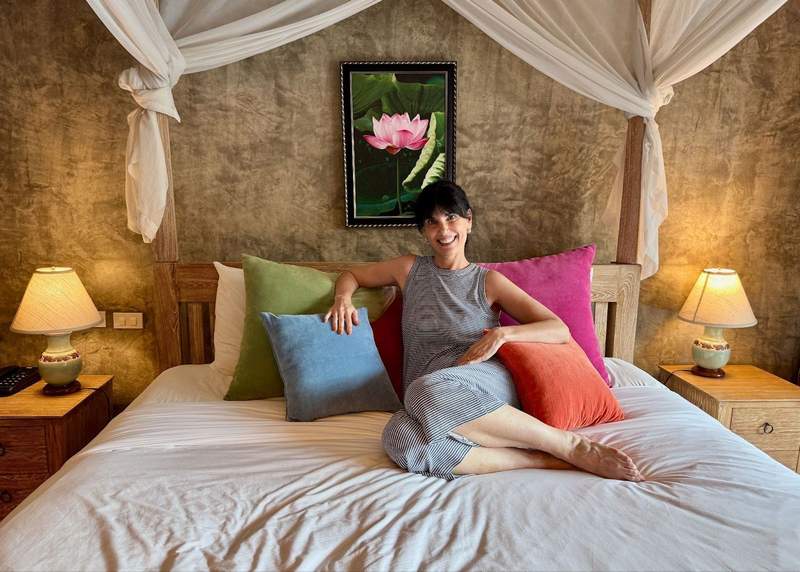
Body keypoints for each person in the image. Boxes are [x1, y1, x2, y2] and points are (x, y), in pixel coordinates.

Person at [324, 181, 642, 482]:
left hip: (481, 380)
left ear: (468, 221)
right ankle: (540, 459)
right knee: (398, 437)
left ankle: (569, 445)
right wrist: (342, 299)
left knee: (423, 392)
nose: (444, 230)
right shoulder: (409, 269)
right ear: (423, 230)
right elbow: (351, 275)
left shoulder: (488, 282)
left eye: (451, 218)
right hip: (428, 393)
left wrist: (503, 335)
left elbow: (557, 328)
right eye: (432, 222)